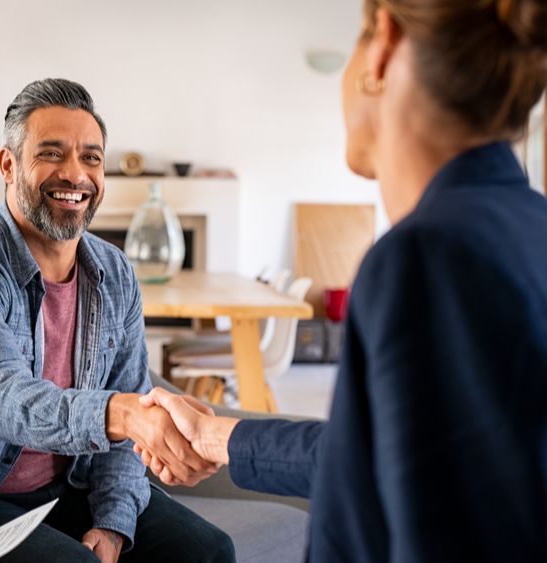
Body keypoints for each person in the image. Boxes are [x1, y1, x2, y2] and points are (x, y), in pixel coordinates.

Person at [135, 0, 547, 561]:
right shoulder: (528, 226)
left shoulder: (427, 257)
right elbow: (382, 456)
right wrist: (218, 437)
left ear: (382, 43)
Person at [0, 78, 234, 563]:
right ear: (8, 164)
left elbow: (130, 402)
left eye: (91, 158)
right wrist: (121, 414)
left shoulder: (114, 272)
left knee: (208, 551)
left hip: (68, 485)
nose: (75, 175)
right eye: (51, 154)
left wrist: (113, 522)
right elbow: (2, 399)